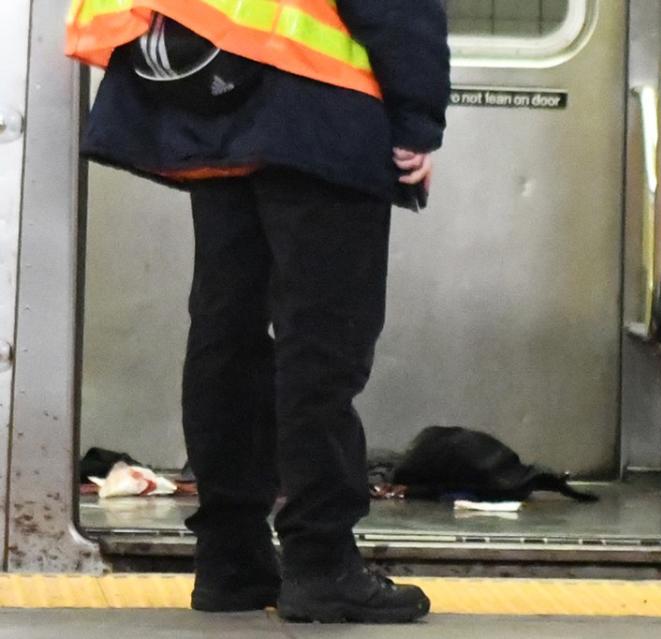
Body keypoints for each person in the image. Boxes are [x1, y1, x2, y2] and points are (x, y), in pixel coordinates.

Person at [65, 0, 450, 624]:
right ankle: (321, 562)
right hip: (317, 108)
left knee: (227, 331)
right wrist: (416, 120)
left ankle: (231, 559)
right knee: (322, 343)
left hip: (216, 105)